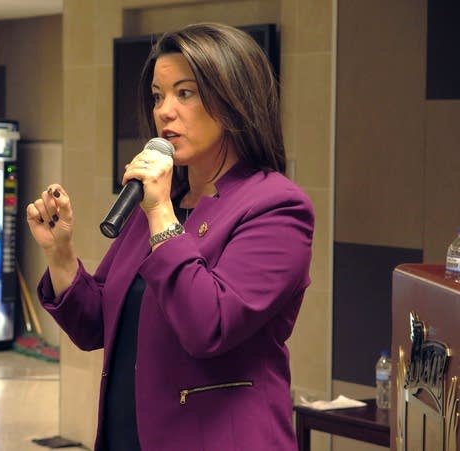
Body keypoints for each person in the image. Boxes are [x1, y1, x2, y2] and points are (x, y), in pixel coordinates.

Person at [26, 22, 314, 451]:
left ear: (235, 100)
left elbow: (209, 327)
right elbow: (96, 327)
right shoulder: (160, 201)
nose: (164, 111)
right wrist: (61, 254)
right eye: (158, 96)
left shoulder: (276, 206)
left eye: (186, 92)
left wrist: (161, 214)